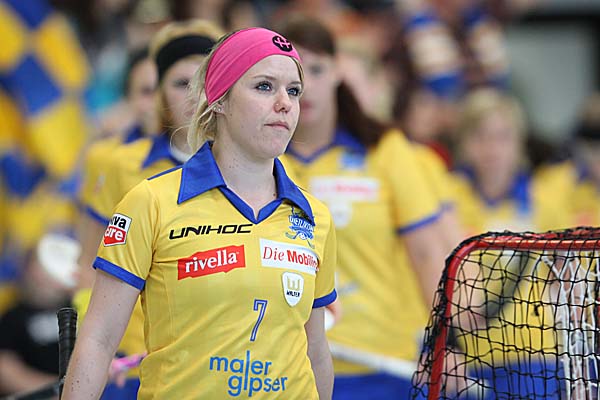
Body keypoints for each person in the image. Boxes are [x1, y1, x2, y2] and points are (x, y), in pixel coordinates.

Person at [63, 27, 337, 399]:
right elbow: (98, 340)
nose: (284, 103)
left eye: (293, 91)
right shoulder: (150, 201)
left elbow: (315, 350)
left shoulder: (314, 216)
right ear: (219, 99)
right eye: (264, 87)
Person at [276, 15, 449, 399]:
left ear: (338, 72)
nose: (306, 87)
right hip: (286, 366)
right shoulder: (260, 159)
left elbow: (427, 255)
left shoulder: (386, 150)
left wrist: (446, 341)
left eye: (316, 70)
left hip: (379, 364)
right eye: (294, 76)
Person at [73, 20, 224, 399]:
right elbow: (89, 263)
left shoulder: (253, 170)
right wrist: (96, 348)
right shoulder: (119, 164)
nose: (193, 97)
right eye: (180, 83)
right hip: (126, 361)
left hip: (214, 364)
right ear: (158, 93)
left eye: (203, 84)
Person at [450, 87, 566, 399]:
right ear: (464, 142)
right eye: (481, 136)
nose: (492, 149)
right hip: (466, 359)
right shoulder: (446, 197)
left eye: (503, 137)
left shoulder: (546, 201)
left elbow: (566, 276)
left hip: (536, 357)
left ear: (519, 142)